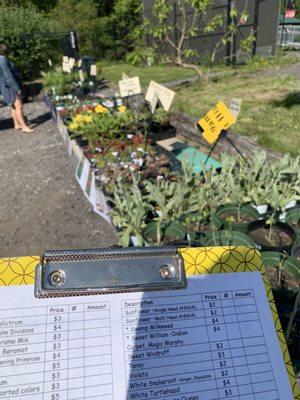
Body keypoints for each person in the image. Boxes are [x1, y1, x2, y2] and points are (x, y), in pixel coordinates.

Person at [0, 42, 33, 133]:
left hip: (7, 87)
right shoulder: (2, 60)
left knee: (14, 107)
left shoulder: (2, 59)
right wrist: (17, 88)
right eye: (6, 48)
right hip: (10, 87)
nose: (7, 49)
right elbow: (9, 76)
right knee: (19, 107)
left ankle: (16, 124)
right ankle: (24, 127)